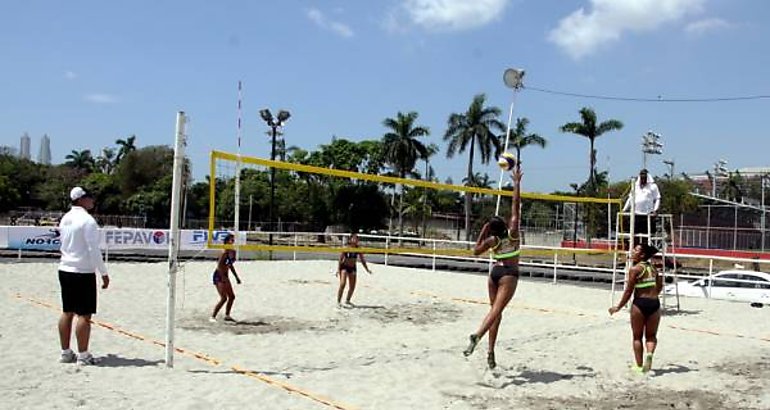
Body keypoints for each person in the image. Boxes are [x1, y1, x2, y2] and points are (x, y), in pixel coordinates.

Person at [463, 165, 523, 369]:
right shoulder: (513, 232)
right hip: (509, 274)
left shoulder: (491, 240)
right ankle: (477, 336)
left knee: (495, 313)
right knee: (496, 311)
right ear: (505, 225)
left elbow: (475, 251)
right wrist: (516, 183)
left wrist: (483, 230)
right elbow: (516, 205)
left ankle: (491, 352)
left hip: (494, 273)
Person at [57, 187, 110, 366]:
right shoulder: (88, 221)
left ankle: (65, 352)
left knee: (67, 311)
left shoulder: (65, 218)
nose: (92, 200)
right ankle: (83, 354)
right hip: (82, 271)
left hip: (65, 268)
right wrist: (103, 273)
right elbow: (93, 250)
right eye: (89, 197)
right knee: (84, 315)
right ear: (81, 200)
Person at [609, 242, 662, 374]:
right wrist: (654, 295)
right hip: (655, 303)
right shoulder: (654, 268)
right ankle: (649, 354)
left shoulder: (635, 269)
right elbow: (660, 285)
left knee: (637, 337)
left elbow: (628, 291)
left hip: (640, 303)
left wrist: (618, 307)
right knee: (651, 336)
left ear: (642, 254)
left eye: (635, 250)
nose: (632, 251)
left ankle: (639, 366)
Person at [622, 169, 661, 245]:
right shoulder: (635, 186)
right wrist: (624, 209)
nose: (643, 178)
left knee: (646, 236)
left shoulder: (653, 186)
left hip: (647, 215)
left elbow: (657, 198)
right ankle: (635, 254)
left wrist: (655, 210)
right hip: (636, 215)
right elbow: (630, 198)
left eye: (644, 176)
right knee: (634, 235)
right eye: (641, 176)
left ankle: (645, 255)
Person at [210, 233, 242, 322]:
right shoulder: (224, 252)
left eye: (233, 240)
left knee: (232, 297)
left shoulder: (233, 252)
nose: (232, 242)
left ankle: (227, 315)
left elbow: (230, 265)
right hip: (219, 275)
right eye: (231, 240)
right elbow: (219, 266)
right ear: (227, 241)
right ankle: (213, 316)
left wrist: (236, 277)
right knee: (224, 298)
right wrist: (223, 278)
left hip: (225, 275)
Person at [336, 233, 372, 307]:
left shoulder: (358, 249)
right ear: (350, 239)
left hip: (352, 267)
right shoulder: (346, 247)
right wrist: (338, 269)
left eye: (356, 239)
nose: (355, 240)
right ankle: (338, 301)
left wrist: (367, 269)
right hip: (344, 266)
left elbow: (362, 260)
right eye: (354, 238)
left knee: (352, 286)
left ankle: (348, 300)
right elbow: (340, 259)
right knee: (342, 284)